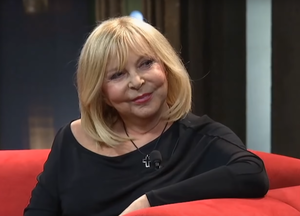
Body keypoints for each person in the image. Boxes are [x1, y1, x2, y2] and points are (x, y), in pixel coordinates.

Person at [24, 16, 269, 216]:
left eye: (146, 63)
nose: (137, 81)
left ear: (166, 67)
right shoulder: (71, 139)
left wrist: (150, 202)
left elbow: (252, 173)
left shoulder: (200, 137)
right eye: (117, 75)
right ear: (102, 93)